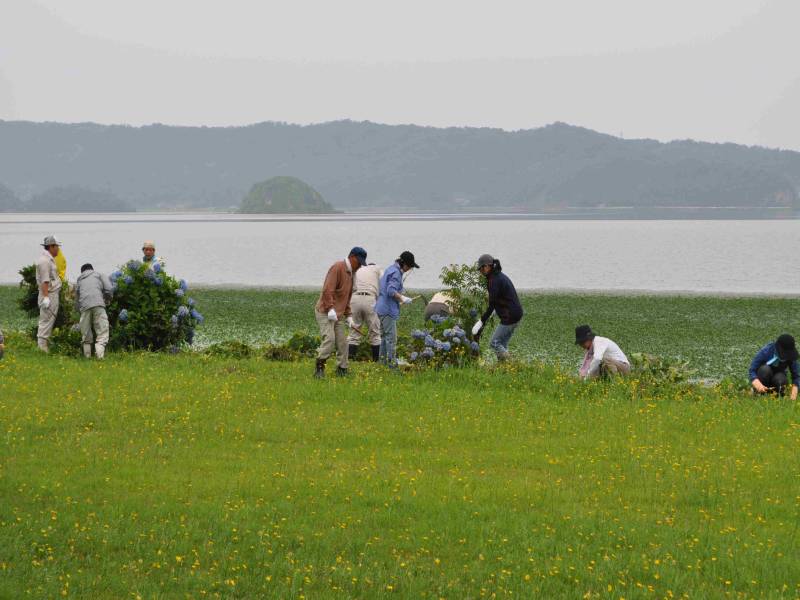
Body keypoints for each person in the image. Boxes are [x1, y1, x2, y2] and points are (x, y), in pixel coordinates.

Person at [314, 247, 367, 378]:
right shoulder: (337, 267)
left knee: (343, 342)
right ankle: (319, 368)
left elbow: (346, 298)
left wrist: (349, 317)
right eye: (359, 262)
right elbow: (327, 290)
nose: (360, 266)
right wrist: (330, 308)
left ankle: (342, 369)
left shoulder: (352, 275)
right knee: (330, 339)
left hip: (337, 314)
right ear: (352, 257)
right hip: (324, 311)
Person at [471, 254, 523, 361]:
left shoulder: (494, 280)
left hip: (509, 316)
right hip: (516, 314)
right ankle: (503, 367)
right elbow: (500, 298)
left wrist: (481, 321)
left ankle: (513, 363)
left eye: (481, 268)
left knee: (494, 343)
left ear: (487, 266)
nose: (480, 272)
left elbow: (492, 304)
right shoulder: (498, 276)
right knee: (502, 344)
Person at [375, 250, 419, 368]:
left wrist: (400, 294)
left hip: (381, 308)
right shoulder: (396, 273)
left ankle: (382, 364)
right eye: (409, 266)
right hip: (388, 310)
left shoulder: (390, 269)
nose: (409, 269)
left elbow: (385, 286)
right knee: (391, 339)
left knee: (384, 337)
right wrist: (402, 298)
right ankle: (392, 366)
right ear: (404, 264)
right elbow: (390, 291)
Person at [75, 263, 114, 359]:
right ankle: (100, 356)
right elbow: (109, 289)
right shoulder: (99, 275)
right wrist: (107, 299)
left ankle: (87, 356)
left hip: (84, 307)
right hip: (98, 304)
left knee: (86, 332)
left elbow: (77, 299)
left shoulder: (79, 280)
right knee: (102, 330)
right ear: (92, 269)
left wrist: (79, 311)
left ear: (82, 272)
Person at [347, 262, 383, 361]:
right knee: (375, 333)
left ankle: (350, 361)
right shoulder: (377, 268)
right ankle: (376, 362)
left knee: (354, 332)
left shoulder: (359, 269)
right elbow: (385, 283)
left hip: (354, 299)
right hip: (369, 299)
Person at [749, 334, 799, 399]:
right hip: (764, 377)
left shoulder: (791, 356)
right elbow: (752, 370)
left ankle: (777, 395)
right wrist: (756, 381)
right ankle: (758, 393)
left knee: (781, 380)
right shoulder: (766, 351)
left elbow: (796, 376)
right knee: (765, 370)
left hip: (778, 376)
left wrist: (794, 392)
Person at [35, 235, 63, 353]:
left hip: (51, 294)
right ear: (51, 246)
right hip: (49, 295)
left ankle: (44, 347)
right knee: (46, 322)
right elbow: (45, 280)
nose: (58, 249)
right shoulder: (45, 261)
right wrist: (46, 297)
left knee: (48, 321)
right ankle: (42, 349)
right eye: (57, 246)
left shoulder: (48, 259)